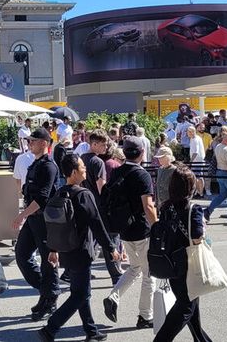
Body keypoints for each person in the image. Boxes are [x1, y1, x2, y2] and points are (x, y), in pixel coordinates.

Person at [36, 154, 120, 342]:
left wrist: (52, 249)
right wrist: (111, 247)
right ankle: (50, 329)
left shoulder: (59, 193)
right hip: (81, 251)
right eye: (82, 167)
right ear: (74, 172)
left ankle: (90, 330)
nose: (85, 169)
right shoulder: (83, 194)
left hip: (65, 249)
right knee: (80, 294)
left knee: (81, 291)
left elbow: (52, 225)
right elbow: (96, 223)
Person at [151, 165, 213, 341]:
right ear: (190, 187)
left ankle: (201, 339)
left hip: (171, 262)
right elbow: (197, 237)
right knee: (186, 306)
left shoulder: (165, 207)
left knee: (191, 305)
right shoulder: (193, 209)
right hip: (189, 263)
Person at [102, 137, 157, 330]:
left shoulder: (117, 171)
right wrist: (157, 227)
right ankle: (145, 316)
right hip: (142, 229)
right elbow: (148, 206)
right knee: (149, 274)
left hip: (124, 229)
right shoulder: (142, 175)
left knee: (134, 268)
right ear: (142, 152)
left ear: (124, 153)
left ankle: (113, 297)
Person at [12, 127, 60, 321]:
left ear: (44, 143)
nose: (29, 144)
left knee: (48, 261)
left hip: (44, 219)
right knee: (22, 255)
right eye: (29, 141)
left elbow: (42, 198)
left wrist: (21, 215)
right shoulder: (35, 163)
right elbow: (27, 189)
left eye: (33, 141)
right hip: (33, 218)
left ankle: (49, 299)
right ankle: (46, 291)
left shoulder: (48, 166)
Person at [81, 130, 122, 286]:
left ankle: (80, 272)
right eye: (103, 144)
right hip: (99, 206)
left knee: (88, 240)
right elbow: (102, 188)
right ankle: (116, 275)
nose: (106, 147)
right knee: (108, 240)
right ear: (94, 144)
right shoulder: (98, 162)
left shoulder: (82, 159)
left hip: (84, 203)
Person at [186, 126, 206, 198]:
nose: (187, 133)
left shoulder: (195, 139)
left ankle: (200, 193)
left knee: (198, 177)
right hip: (196, 161)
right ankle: (199, 192)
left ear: (191, 132)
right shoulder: (193, 138)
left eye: (188, 131)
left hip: (197, 161)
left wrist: (191, 161)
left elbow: (196, 152)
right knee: (197, 177)